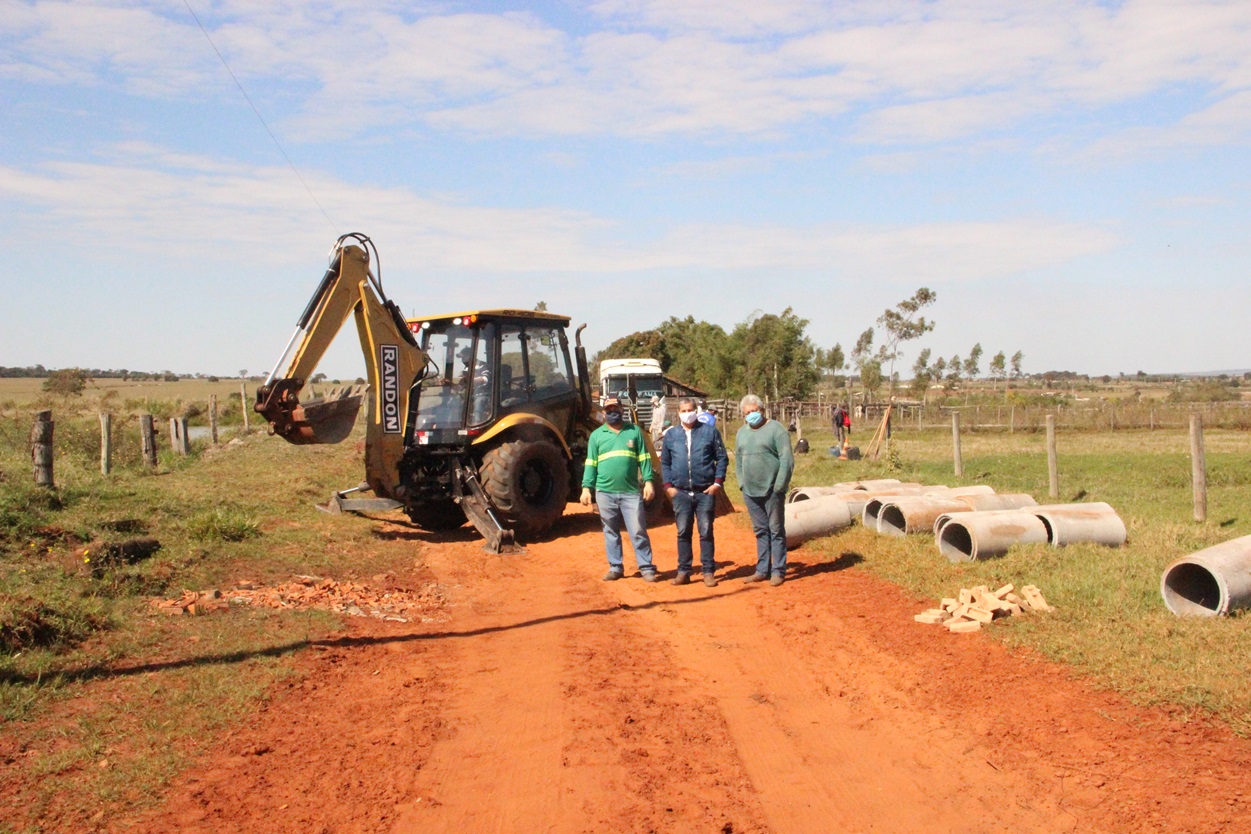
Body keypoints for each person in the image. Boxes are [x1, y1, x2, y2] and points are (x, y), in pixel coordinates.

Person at [581, 397, 659, 582]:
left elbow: (644, 458)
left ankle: (646, 567)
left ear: (622, 410)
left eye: (615, 408)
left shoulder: (634, 432)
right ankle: (615, 567)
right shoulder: (597, 436)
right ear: (604, 412)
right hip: (604, 492)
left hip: (630, 492)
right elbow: (591, 463)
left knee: (638, 529)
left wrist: (648, 482)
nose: (612, 412)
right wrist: (586, 488)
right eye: (608, 409)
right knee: (610, 531)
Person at [661, 397, 729, 587]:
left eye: (690, 409)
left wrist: (717, 483)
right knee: (683, 532)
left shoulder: (709, 432)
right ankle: (684, 571)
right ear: (678, 413)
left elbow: (721, 458)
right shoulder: (671, 435)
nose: (687, 413)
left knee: (706, 531)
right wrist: (668, 486)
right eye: (683, 411)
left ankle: (708, 571)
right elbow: (665, 462)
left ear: (696, 411)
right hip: (680, 493)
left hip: (705, 491)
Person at [735, 394, 794, 586]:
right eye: (748, 413)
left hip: (772, 490)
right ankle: (762, 569)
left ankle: (778, 570)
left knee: (776, 530)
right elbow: (738, 459)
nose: (752, 415)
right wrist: (741, 482)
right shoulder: (741, 433)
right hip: (750, 491)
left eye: (755, 411)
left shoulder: (777, 430)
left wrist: (779, 486)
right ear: (743, 414)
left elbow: (787, 460)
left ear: (762, 410)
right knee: (760, 530)